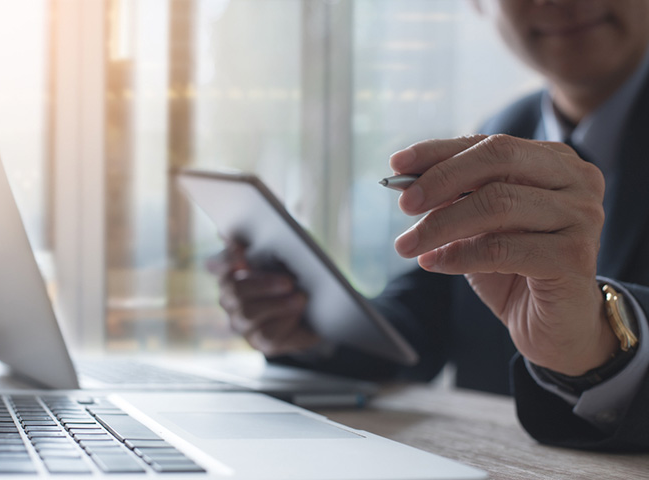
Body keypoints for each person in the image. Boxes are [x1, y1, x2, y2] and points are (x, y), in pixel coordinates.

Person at [208, 0, 649, 451]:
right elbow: (422, 322)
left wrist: (600, 343)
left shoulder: (501, 146)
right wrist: (310, 322)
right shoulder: (506, 130)